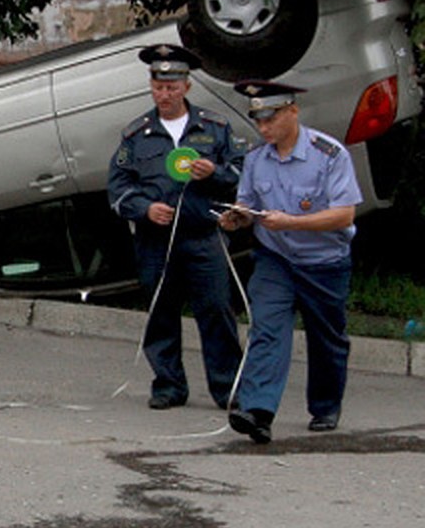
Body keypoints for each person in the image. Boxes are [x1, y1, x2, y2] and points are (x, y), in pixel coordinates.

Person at [219, 81, 362, 444]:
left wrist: (292, 222)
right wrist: (238, 218)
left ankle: (326, 406)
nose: (264, 128)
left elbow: (344, 215)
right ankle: (258, 411)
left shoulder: (329, 155)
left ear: (292, 111)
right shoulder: (255, 159)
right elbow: (248, 203)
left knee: (327, 338)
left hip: (324, 261)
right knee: (266, 327)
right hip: (276, 258)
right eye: (258, 120)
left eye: (271, 119)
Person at [107, 44, 246, 410]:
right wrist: (144, 209)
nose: (163, 95)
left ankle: (227, 387)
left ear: (186, 86)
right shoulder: (137, 134)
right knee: (161, 313)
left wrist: (214, 172)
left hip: (205, 236)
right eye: (157, 87)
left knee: (216, 311)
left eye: (171, 87)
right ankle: (168, 385)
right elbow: (118, 188)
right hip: (156, 240)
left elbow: (243, 176)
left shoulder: (214, 128)